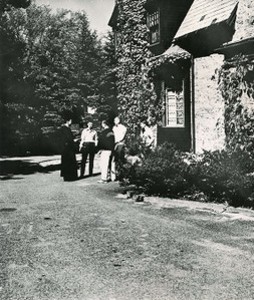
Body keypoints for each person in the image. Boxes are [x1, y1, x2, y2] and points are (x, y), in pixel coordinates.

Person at [59, 113, 78, 181]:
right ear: (68, 121)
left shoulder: (63, 129)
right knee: (70, 162)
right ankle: (70, 177)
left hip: (65, 148)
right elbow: (69, 139)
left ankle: (66, 176)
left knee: (66, 162)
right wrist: (74, 141)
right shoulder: (66, 129)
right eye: (71, 121)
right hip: (68, 148)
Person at [111, 116, 127, 181]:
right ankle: (117, 175)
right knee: (115, 160)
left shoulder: (123, 127)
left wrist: (118, 141)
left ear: (119, 120)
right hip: (115, 144)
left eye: (116, 120)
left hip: (120, 144)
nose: (115, 122)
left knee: (121, 159)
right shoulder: (114, 128)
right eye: (114, 120)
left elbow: (123, 136)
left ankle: (122, 176)